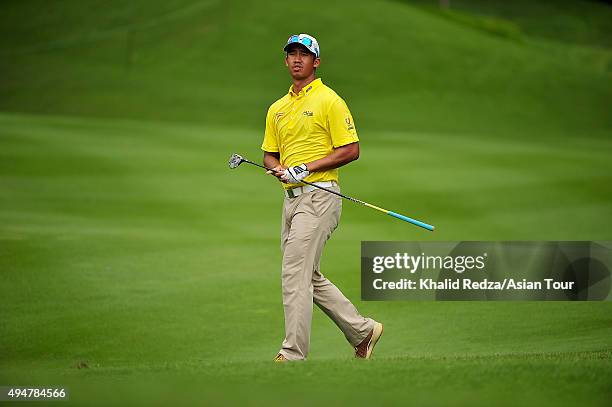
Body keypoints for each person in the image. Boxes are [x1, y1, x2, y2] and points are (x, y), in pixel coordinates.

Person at [261, 33, 383, 362]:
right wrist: (279, 168)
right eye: (292, 54)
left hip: (320, 196)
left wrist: (305, 168)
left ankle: (293, 354)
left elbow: (351, 150)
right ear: (286, 61)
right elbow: (269, 155)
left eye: (304, 54)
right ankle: (362, 331)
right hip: (291, 200)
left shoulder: (329, 100)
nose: (297, 59)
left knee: (293, 273)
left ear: (316, 62)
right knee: (307, 275)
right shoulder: (278, 108)